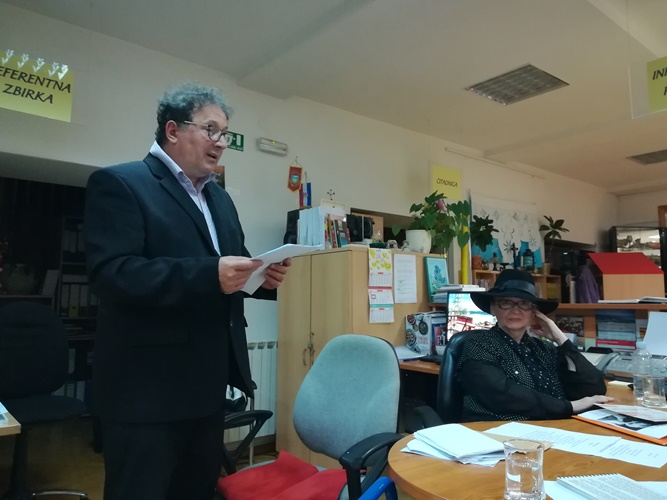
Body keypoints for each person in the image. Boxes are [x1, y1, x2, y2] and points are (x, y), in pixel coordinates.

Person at [84, 82, 291, 500]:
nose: (221, 143)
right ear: (173, 130)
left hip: (208, 389)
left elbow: (230, 269)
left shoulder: (220, 200)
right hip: (146, 394)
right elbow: (112, 274)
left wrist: (260, 279)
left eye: (225, 134)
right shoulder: (121, 183)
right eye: (211, 130)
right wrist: (210, 275)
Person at [459, 269, 611, 422]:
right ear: (493, 308)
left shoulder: (544, 349)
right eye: (506, 303)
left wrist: (560, 339)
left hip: (551, 428)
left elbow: (594, 389)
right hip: (494, 428)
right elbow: (500, 394)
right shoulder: (479, 344)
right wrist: (569, 407)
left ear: (534, 312)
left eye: (524, 304)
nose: (515, 310)